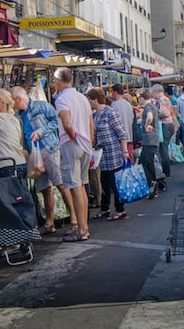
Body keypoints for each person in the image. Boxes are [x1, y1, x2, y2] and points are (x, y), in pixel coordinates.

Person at [11, 86, 76, 235]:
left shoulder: (41, 107)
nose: (11, 105)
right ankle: (49, 222)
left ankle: (74, 219)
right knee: (44, 188)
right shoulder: (19, 116)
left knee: (60, 184)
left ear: (19, 99)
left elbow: (57, 122)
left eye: (12, 101)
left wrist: (41, 132)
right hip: (35, 155)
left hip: (49, 149)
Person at [52, 67, 94, 242]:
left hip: (72, 144)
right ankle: (84, 227)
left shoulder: (62, 100)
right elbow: (91, 124)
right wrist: (89, 143)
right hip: (85, 145)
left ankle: (81, 229)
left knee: (75, 187)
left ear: (58, 81)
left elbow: (67, 123)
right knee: (82, 186)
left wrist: (73, 136)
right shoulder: (82, 98)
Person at [86, 87, 128, 221]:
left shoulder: (110, 113)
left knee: (115, 182)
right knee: (104, 181)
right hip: (101, 155)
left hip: (114, 153)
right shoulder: (95, 115)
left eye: (89, 100)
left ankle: (120, 209)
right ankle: (105, 208)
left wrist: (125, 151)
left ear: (94, 99)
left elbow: (121, 133)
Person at [136, 88, 161, 197]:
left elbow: (150, 117)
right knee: (145, 161)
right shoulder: (152, 106)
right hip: (151, 139)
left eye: (138, 98)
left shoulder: (148, 107)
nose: (138, 101)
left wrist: (146, 125)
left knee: (147, 162)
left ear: (142, 97)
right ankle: (152, 182)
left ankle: (153, 182)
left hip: (150, 139)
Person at [150, 83, 174, 178]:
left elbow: (164, 113)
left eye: (153, 93)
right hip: (168, 125)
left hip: (166, 125)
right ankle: (165, 171)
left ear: (156, 91)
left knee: (163, 149)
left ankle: (165, 172)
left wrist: (154, 112)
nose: (152, 95)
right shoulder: (165, 99)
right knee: (163, 148)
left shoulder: (162, 99)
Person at [110, 83, 134, 159]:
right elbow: (132, 119)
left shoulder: (114, 105)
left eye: (112, 92)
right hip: (129, 137)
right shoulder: (128, 104)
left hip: (119, 139)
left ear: (115, 92)